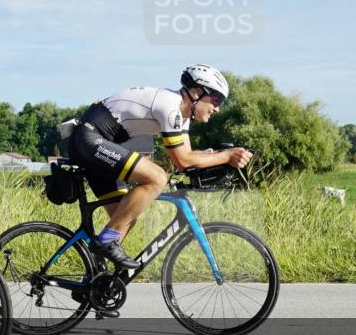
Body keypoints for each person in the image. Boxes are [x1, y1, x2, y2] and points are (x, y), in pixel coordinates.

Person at [65, 65, 252, 269]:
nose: (217, 108)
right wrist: (226, 156)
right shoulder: (170, 106)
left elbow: (188, 157)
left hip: (94, 142)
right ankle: (105, 242)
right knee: (157, 177)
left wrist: (219, 156)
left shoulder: (181, 114)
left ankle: (96, 277)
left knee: (125, 216)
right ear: (196, 92)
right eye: (216, 100)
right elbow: (183, 161)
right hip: (89, 139)